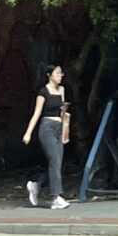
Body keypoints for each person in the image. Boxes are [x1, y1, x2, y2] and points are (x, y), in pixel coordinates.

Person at [23, 63, 70, 209]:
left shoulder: (61, 90)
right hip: (47, 128)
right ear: (49, 75)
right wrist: (28, 133)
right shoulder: (43, 93)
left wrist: (65, 125)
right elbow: (36, 114)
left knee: (56, 164)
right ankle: (56, 197)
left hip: (59, 128)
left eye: (61, 73)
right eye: (57, 73)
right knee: (54, 160)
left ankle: (36, 185)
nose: (60, 76)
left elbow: (62, 111)